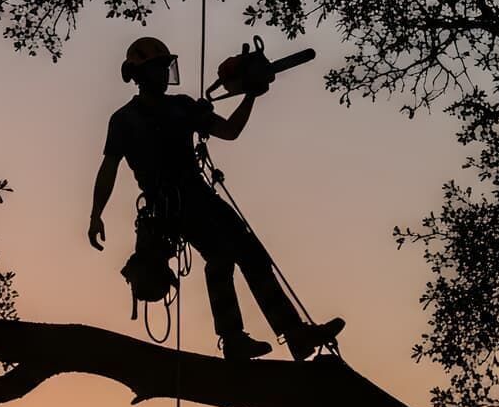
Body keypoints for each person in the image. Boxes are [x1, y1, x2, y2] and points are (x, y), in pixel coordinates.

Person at [89, 36, 344, 361]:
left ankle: (294, 334)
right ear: (140, 74)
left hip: (200, 195)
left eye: (167, 68)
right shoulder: (124, 120)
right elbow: (108, 167)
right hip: (171, 207)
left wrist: (250, 96)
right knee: (222, 256)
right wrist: (96, 213)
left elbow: (229, 131)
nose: (165, 75)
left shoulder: (181, 106)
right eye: (158, 69)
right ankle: (234, 338)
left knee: (252, 254)